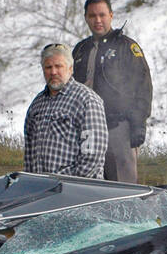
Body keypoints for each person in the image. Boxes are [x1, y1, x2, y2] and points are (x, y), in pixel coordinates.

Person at [72, 0, 153, 182]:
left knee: (123, 185)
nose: (97, 20)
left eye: (102, 15)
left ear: (111, 15)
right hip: (85, 129)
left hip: (118, 128)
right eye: (92, 16)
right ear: (86, 18)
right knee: (89, 183)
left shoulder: (127, 47)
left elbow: (143, 87)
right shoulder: (80, 50)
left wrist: (139, 123)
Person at [23, 43, 109, 178]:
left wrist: (69, 184)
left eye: (58, 66)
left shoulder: (86, 100)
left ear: (70, 68)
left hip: (78, 191)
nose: (53, 72)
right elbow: (29, 154)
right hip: (41, 190)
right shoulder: (37, 104)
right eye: (48, 67)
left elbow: (93, 154)